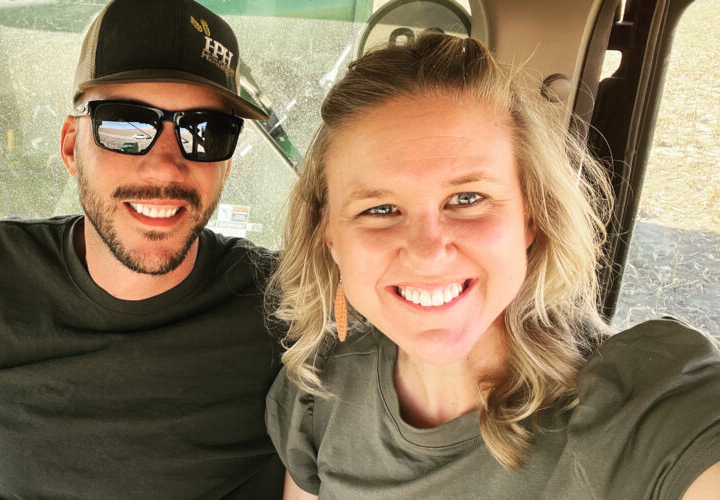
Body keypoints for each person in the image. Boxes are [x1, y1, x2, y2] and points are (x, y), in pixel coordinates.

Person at [0, 0, 286, 498]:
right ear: (72, 148)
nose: (166, 167)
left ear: (226, 163)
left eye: (205, 132)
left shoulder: (284, 303)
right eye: (125, 126)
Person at [265, 31, 720, 499]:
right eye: (379, 209)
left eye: (467, 198)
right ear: (330, 236)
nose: (427, 251)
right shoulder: (318, 393)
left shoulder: (646, 402)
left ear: (531, 217)